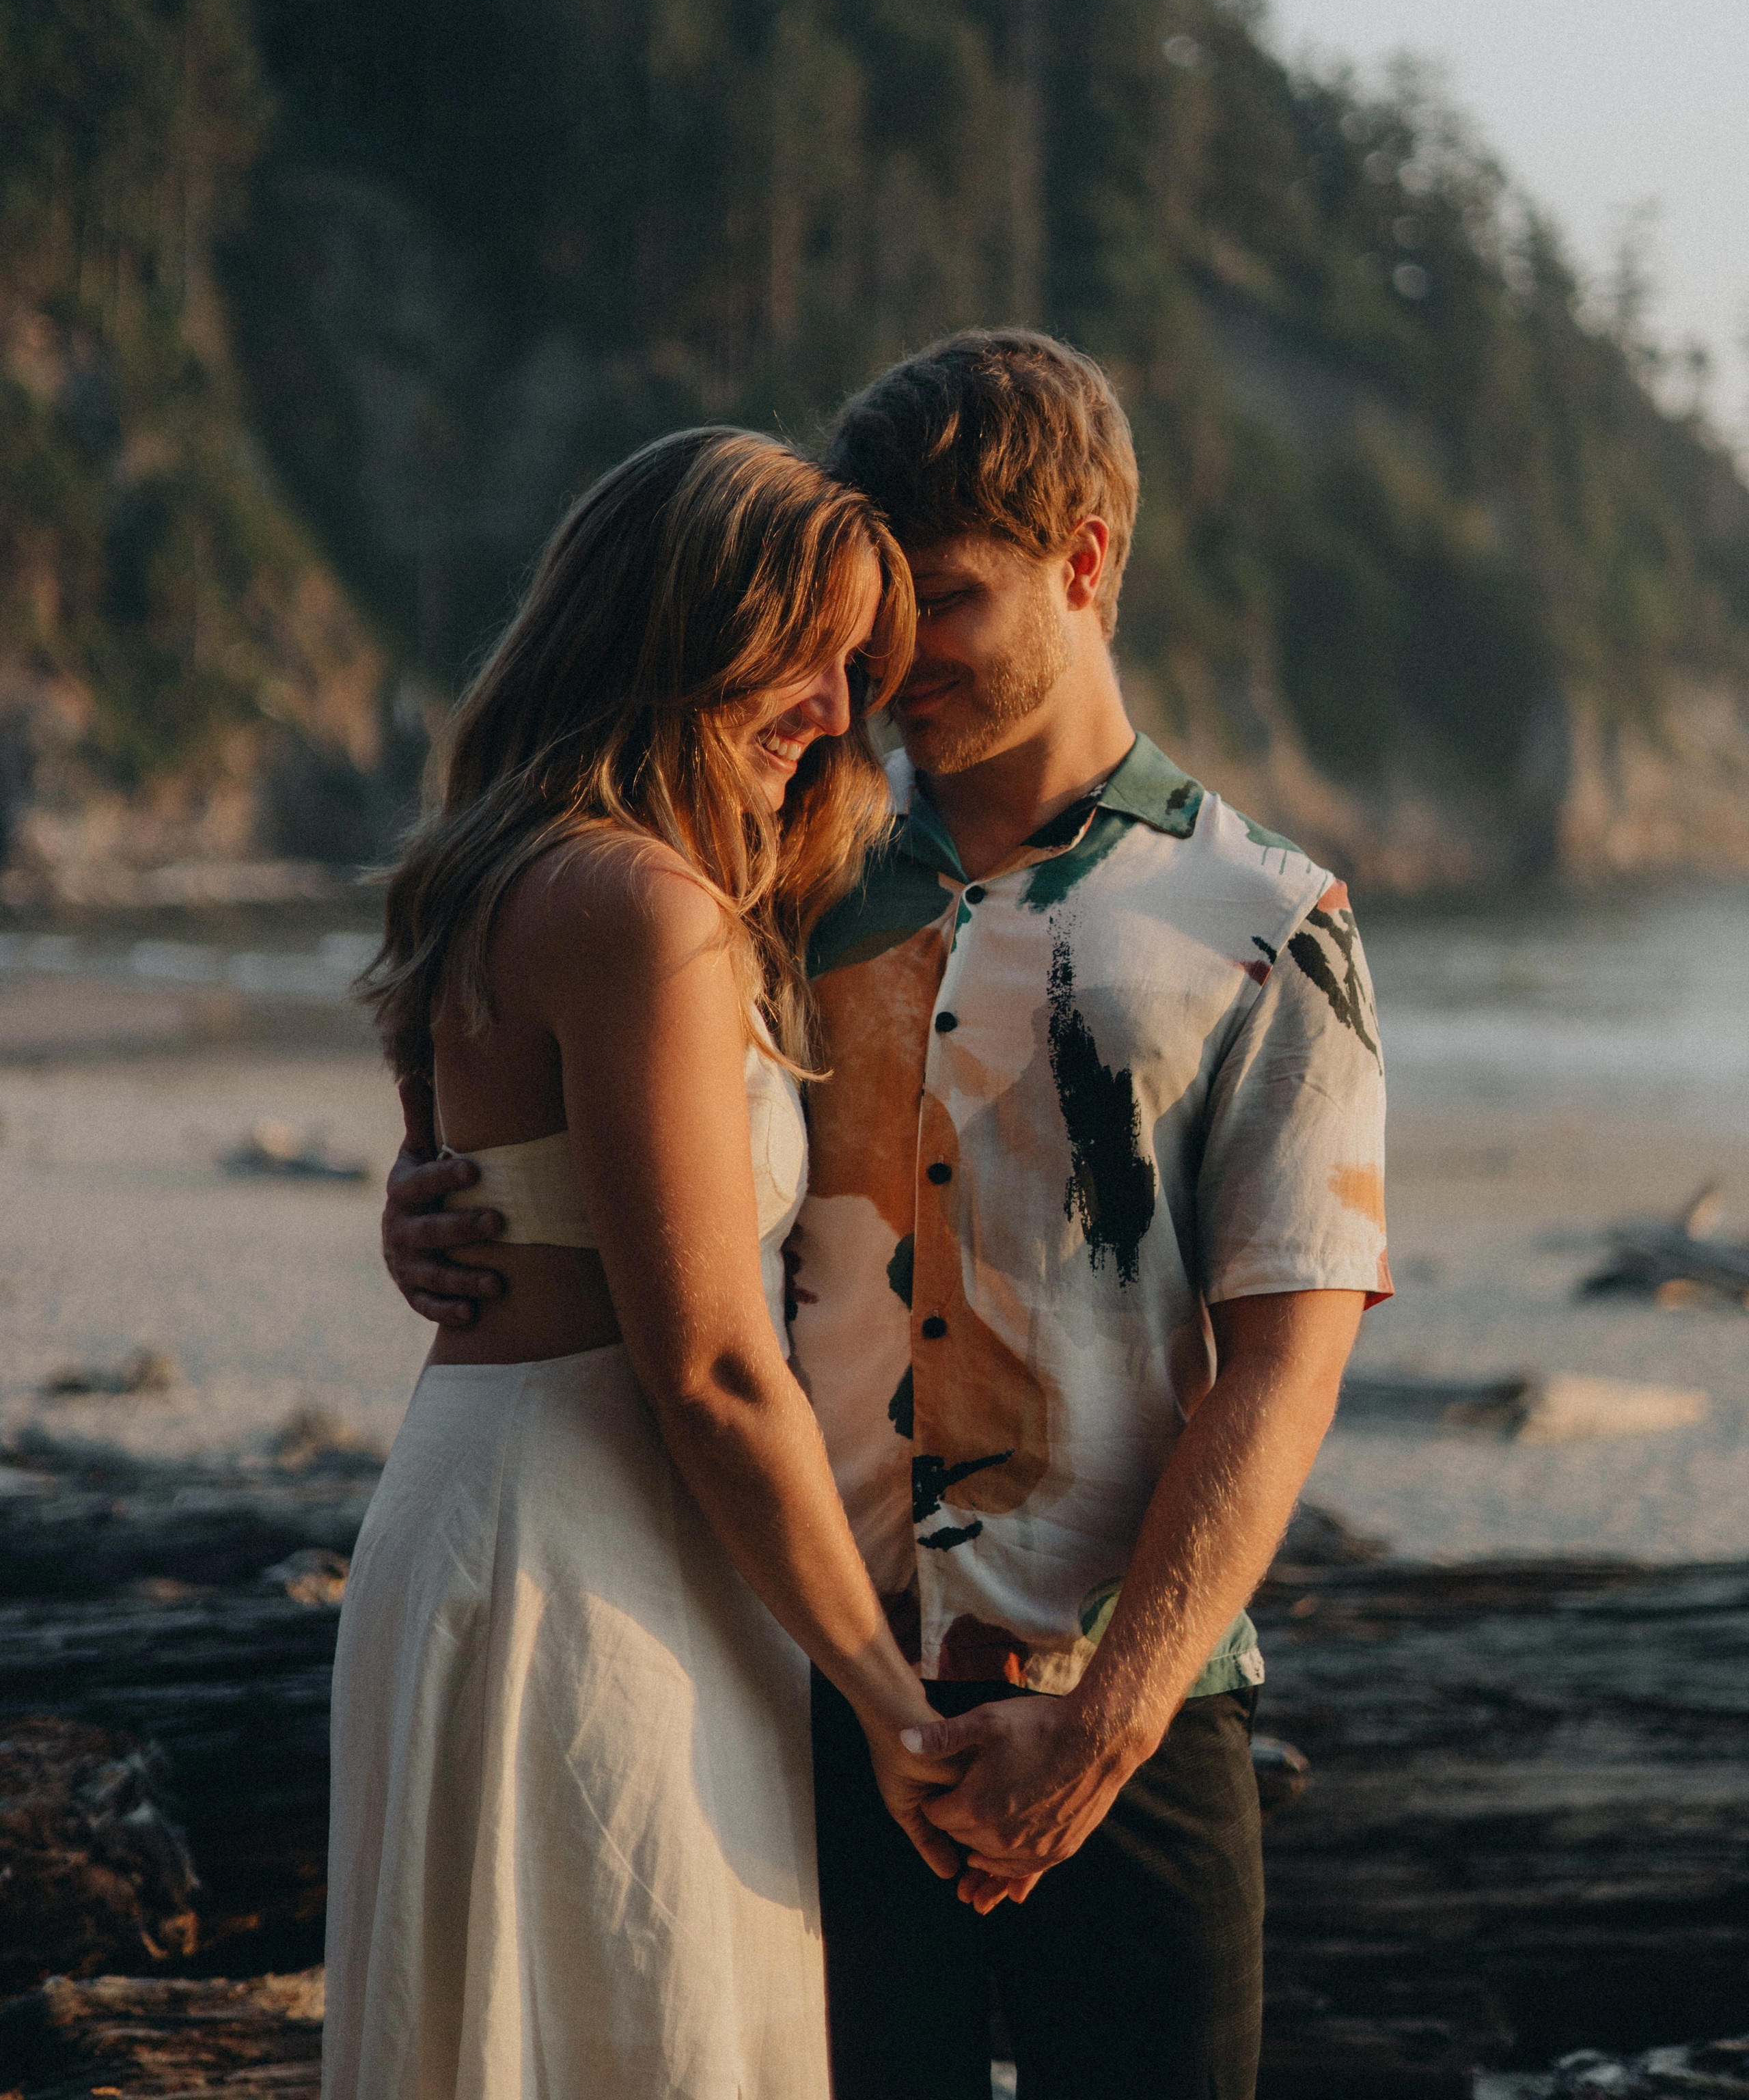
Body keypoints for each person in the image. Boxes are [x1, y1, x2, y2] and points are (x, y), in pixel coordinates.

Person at [383, 334, 1390, 2100]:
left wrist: (1110, 1721)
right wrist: (456, 1201)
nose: (892, 668)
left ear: (1087, 563)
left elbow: (1285, 1367)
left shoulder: (1268, 917)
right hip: (823, 1706)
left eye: (946, 602)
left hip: (1133, 1727)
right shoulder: (784, 872)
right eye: (868, 636)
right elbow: (571, 1069)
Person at [325, 427, 959, 2100]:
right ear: (679, 624)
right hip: (585, 1565)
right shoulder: (644, 909)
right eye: (808, 655)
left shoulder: (506, 874)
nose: (837, 709)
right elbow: (712, 1366)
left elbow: (483, 1174)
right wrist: (890, 1704)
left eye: (857, 672)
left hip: (508, 1518)